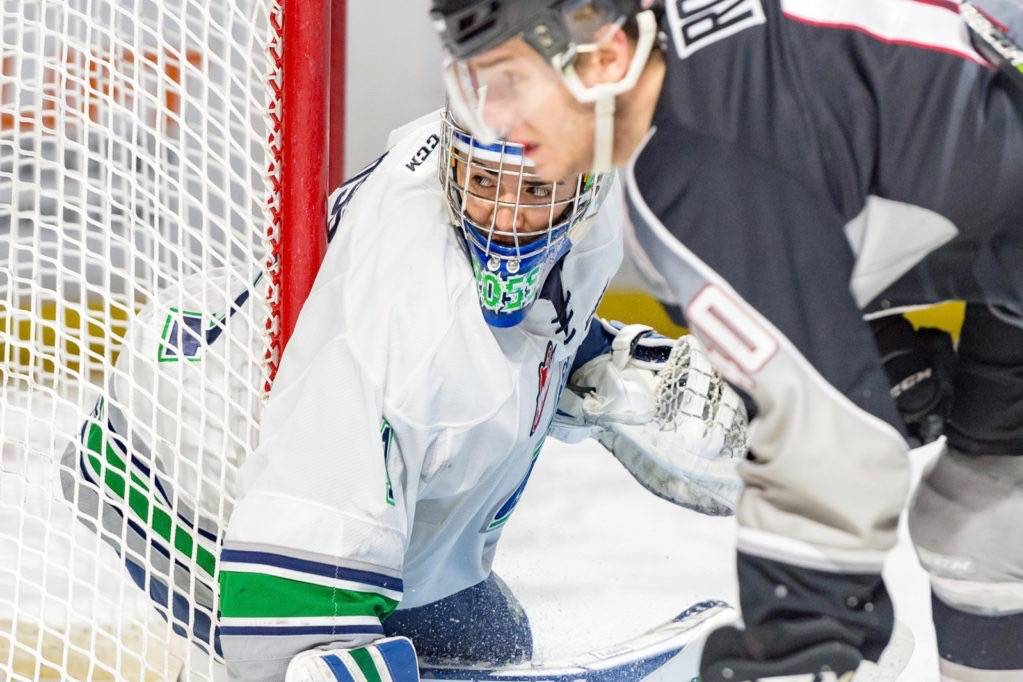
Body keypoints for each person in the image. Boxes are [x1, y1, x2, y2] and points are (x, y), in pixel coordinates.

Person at [429, 1, 1023, 680]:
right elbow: (853, 129)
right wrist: (862, 337)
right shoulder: (701, 90)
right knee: (979, 524)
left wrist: (797, 636)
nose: (496, 119)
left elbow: (834, 450)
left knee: (977, 526)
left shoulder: (693, 170)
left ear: (603, 54)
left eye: (511, 81)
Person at [60, 107, 748, 681]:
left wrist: (590, 361)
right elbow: (279, 631)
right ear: (453, 162)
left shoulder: (505, 143)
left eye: (535, 192)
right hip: (194, 488)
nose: (505, 221)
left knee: (486, 643)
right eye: (484, 182)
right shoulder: (408, 340)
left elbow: (521, 312)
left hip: (253, 386)